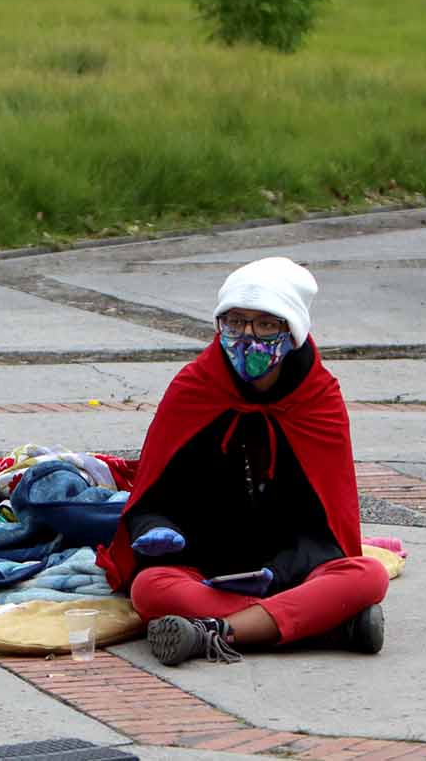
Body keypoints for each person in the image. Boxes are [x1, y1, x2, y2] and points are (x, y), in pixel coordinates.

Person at [98, 257, 388, 666]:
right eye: (235, 322)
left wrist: (278, 574)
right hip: (206, 570)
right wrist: (156, 528)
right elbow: (151, 499)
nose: (247, 336)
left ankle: (216, 632)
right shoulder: (192, 389)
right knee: (150, 588)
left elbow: (328, 529)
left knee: (367, 576)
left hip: (291, 572)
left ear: (293, 332)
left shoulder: (317, 399)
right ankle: (323, 626)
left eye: (266, 324)